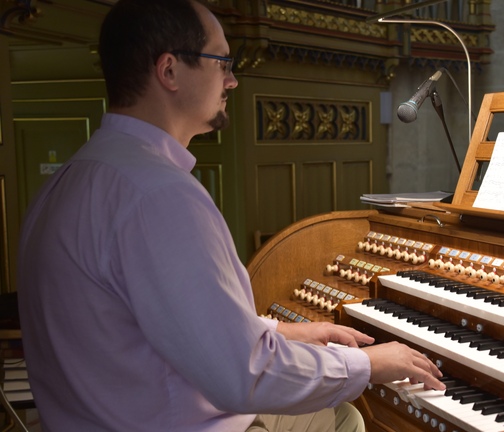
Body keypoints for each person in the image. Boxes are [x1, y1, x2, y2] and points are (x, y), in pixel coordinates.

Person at [15, 0, 445, 431]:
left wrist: (282, 332)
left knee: (337, 413)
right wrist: (368, 364)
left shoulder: (72, 177)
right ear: (169, 71)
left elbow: (153, 321)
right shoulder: (158, 195)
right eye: (221, 62)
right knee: (344, 419)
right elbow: (245, 375)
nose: (233, 80)